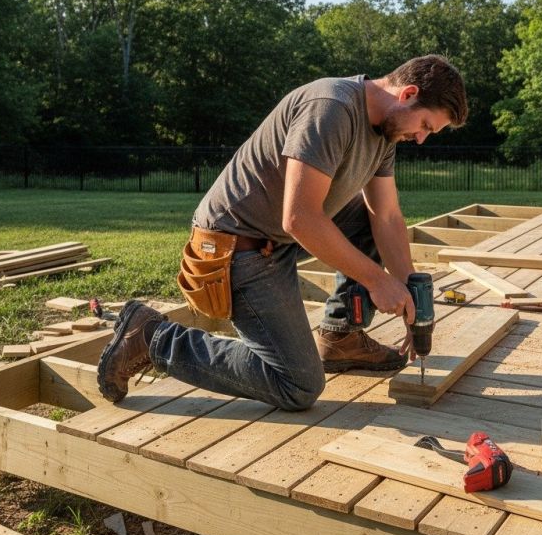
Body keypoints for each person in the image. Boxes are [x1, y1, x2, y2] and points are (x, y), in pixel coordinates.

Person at [97, 54, 467, 411]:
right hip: (237, 245)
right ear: (408, 95)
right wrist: (376, 281)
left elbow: (385, 215)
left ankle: (341, 335)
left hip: (279, 238)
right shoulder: (332, 107)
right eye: (426, 127)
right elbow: (301, 219)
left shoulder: (386, 133)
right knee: (298, 383)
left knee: (366, 217)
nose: (421, 139)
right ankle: (153, 337)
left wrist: (408, 295)